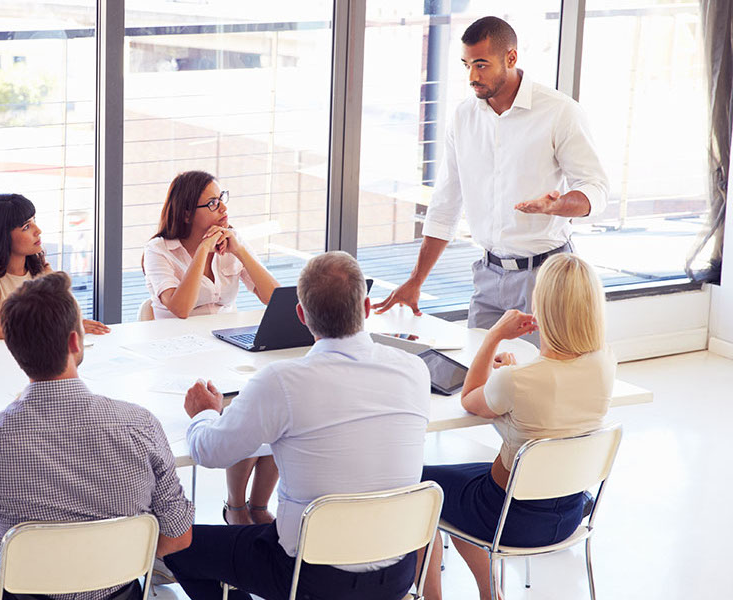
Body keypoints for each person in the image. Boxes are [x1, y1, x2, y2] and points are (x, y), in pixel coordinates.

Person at [163, 251, 429, 600]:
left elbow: (209, 452)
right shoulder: (414, 370)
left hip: (308, 578)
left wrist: (204, 413)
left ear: (301, 314)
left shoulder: (283, 382)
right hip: (397, 574)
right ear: (366, 308)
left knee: (178, 545)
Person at [0, 271, 194, 600]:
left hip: (27, 593)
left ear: (14, 350)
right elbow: (178, 538)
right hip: (119, 592)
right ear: (75, 342)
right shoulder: (139, 425)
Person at [373, 16, 609, 346]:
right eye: (467, 65)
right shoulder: (463, 117)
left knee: (534, 384)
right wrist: (416, 280)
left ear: (511, 58)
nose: (472, 76)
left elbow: (595, 188)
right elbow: (445, 205)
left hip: (545, 276)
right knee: (477, 378)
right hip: (487, 275)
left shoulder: (559, 112)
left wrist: (559, 206)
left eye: (481, 65)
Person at [420, 253, 614, 600]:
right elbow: (546, 408)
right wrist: (512, 375)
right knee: (465, 482)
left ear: (542, 306)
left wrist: (494, 335)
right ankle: (489, 594)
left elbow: (470, 400)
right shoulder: (604, 364)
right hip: (570, 515)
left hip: (508, 518)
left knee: (423, 486)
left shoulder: (516, 380)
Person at [142, 170, 281, 526]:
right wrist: (202, 251)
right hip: (178, 357)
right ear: (187, 213)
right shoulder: (159, 251)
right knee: (250, 412)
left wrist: (242, 251)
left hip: (228, 351)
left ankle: (259, 505)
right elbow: (180, 308)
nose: (223, 210)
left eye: (223, 200)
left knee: (278, 406)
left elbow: (274, 298)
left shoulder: (230, 248)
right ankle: (237, 507)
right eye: (213, 203)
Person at [0, 193, 111, 339]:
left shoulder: (41, 271)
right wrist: (58, 326)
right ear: (0, 237)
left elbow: (70, 316)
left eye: (34, 221)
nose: (38, 231)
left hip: (34, 361)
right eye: (26, 227)